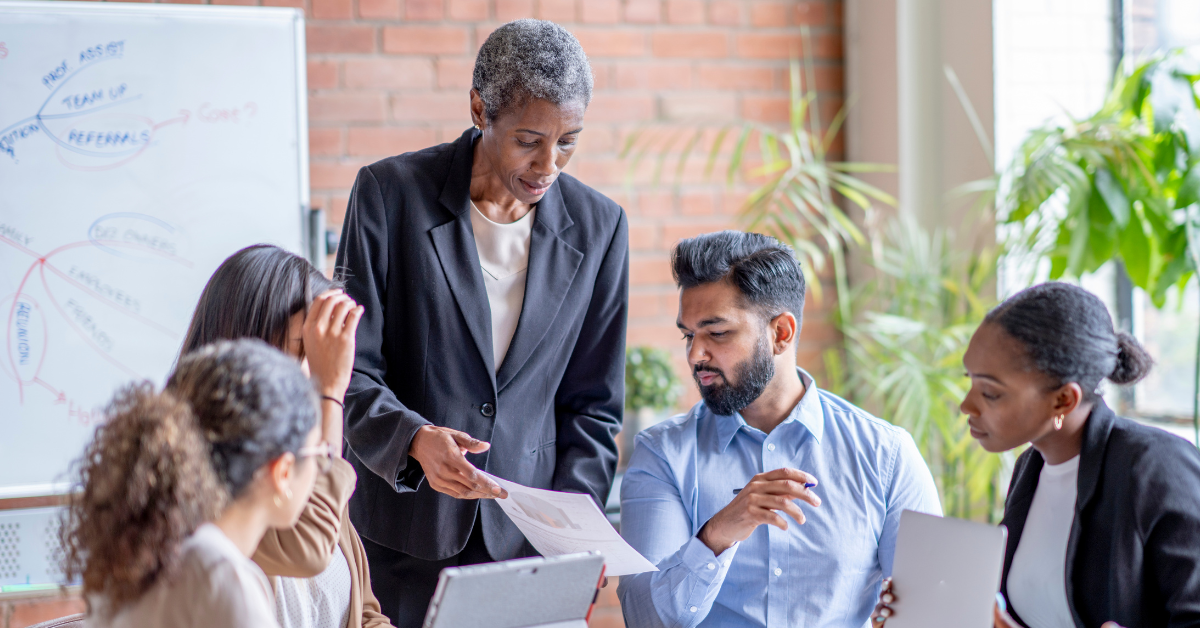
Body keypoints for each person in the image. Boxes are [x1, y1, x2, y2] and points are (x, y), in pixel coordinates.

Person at [336, 18, 628, 625]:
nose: (549, 164)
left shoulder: (601, 228)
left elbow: (593, 405)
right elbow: (350, 371)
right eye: (529, 139)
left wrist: (576, 534)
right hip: (404, 537)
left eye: (569, 141)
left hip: (529, 547)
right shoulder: (389, 196)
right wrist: (415, 439)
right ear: (479, 108)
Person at [617, 231, 942, 628]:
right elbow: (643, 619)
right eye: (689, 335)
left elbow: (932, 610)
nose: (695, 356)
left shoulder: (885, 454)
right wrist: (718, 535)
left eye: (717, 333)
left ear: (781, 333)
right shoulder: (662, 453)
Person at [872, 282, 1200, 627]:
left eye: (990, 393)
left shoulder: (1158, 468)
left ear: (1063, 400)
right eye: (970, 381)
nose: (966, 405)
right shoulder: (1031, 469)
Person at [178, 244, 393, 628]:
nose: (312, 368)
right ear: (251, 347)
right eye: (304, 349)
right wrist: (329, 390)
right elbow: (307, 550)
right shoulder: (195, 466)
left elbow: (363, 611)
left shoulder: (301, 452)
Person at [65, 340, 324, 628]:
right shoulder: (218, 573)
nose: (322, 465)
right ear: (283, 471)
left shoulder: (149, 551)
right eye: (318, 453)